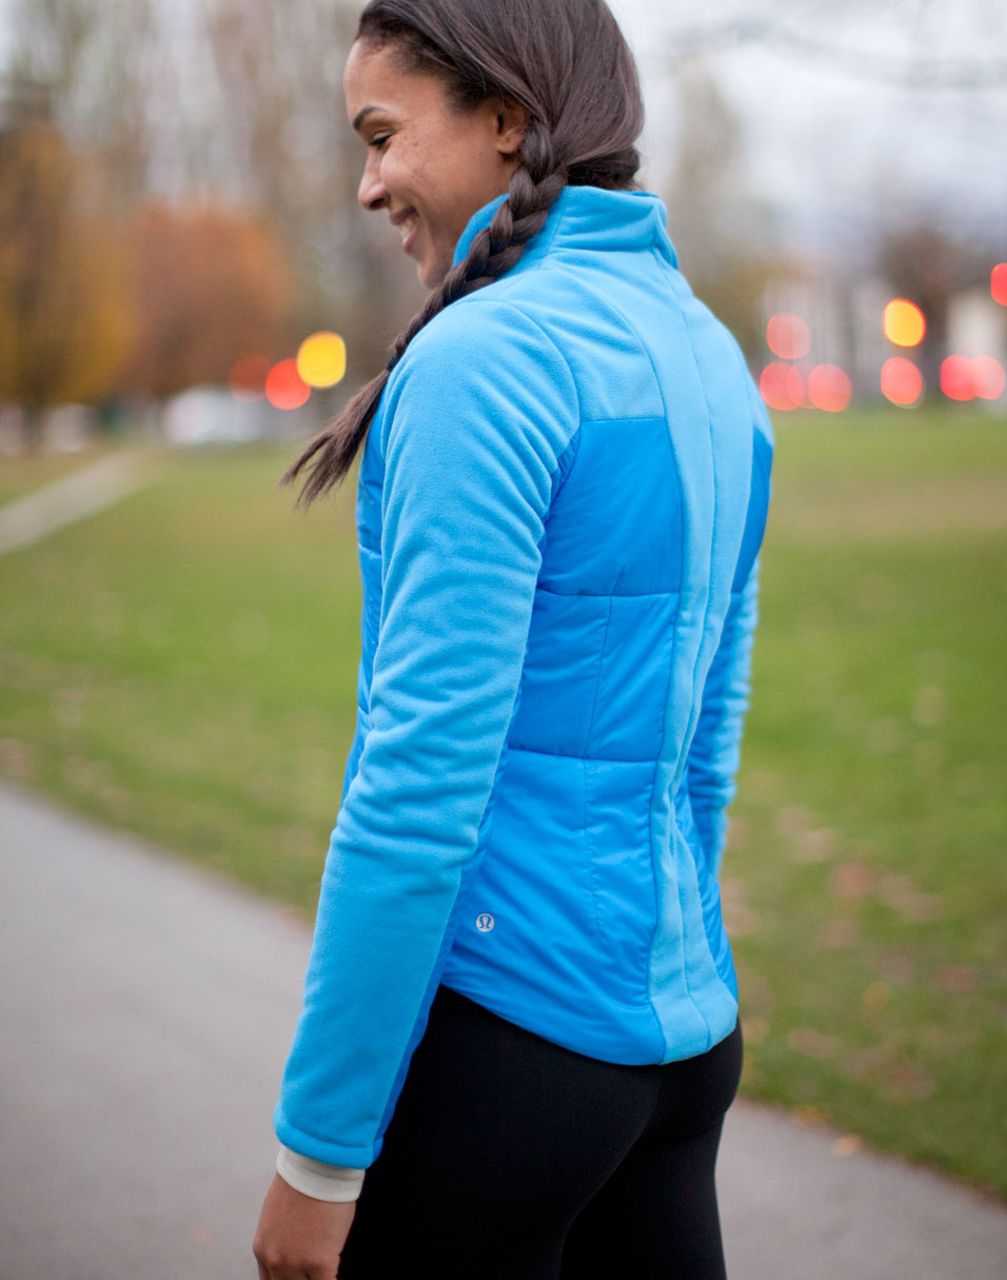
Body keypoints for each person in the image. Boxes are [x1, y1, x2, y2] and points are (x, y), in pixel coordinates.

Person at [252, 0, 774, 1276]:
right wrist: (664, 971)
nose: (369, 184)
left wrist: (317, 1155)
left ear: (504, 118)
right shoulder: (709, 353)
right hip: (679, 1046)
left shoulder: (486, 359)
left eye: (382, 135)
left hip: (511, 1058)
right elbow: (709, 743)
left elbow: (417, 785)